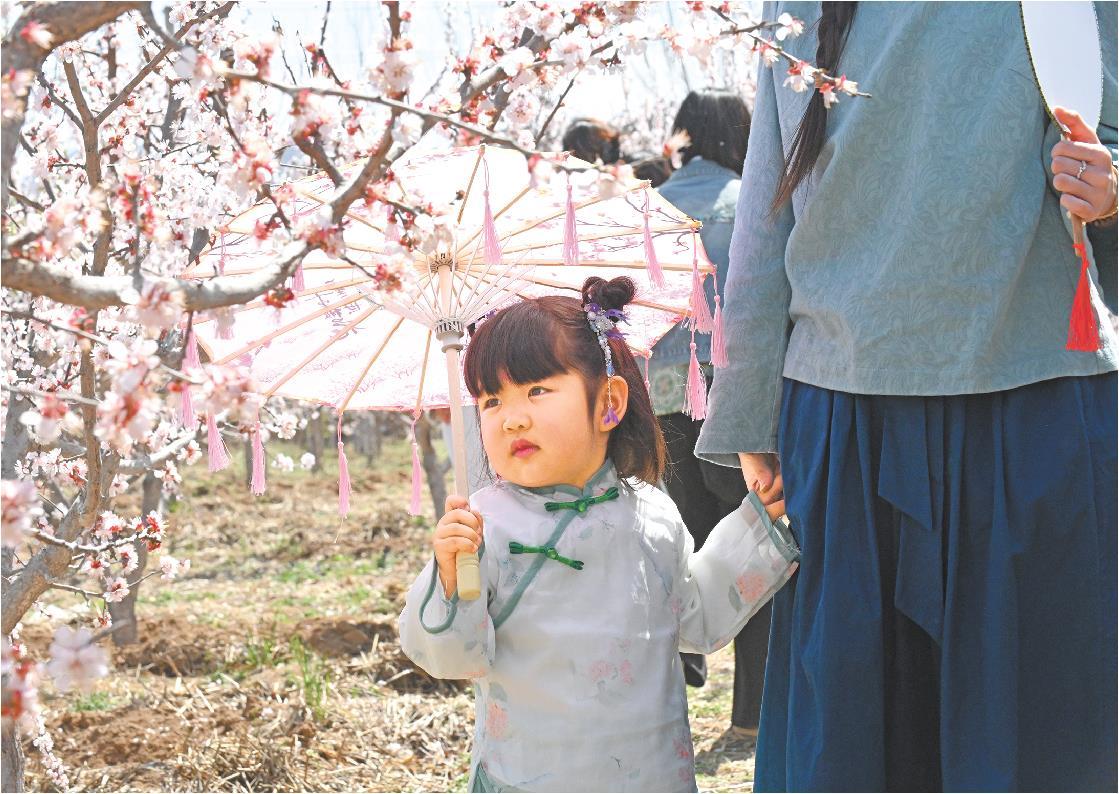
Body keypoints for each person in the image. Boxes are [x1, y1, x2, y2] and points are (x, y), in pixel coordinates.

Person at [696, 2, 1118, 791]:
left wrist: (1112, 190)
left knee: (1040, 748)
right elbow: (768, 203)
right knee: (856, 754)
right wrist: (752, 407)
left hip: (1029, 399)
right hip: (843, 414)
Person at [398, 276, 783, 792]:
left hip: (648, 772)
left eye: (536, 390)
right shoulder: (484, 527)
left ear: (609, 403)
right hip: (529, 774)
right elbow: (453, 659)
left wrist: (756, 526)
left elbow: (697, 618)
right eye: (491, 401)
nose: (511, 419)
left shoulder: (651, 512)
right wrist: (450, 577)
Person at [649, 89, 768, 736]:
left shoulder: (649, 209)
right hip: (735, 405)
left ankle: (664, 705)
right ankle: (748, 717)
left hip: (661, 411)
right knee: (753, 554)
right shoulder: (753, 204)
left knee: (674, 555)